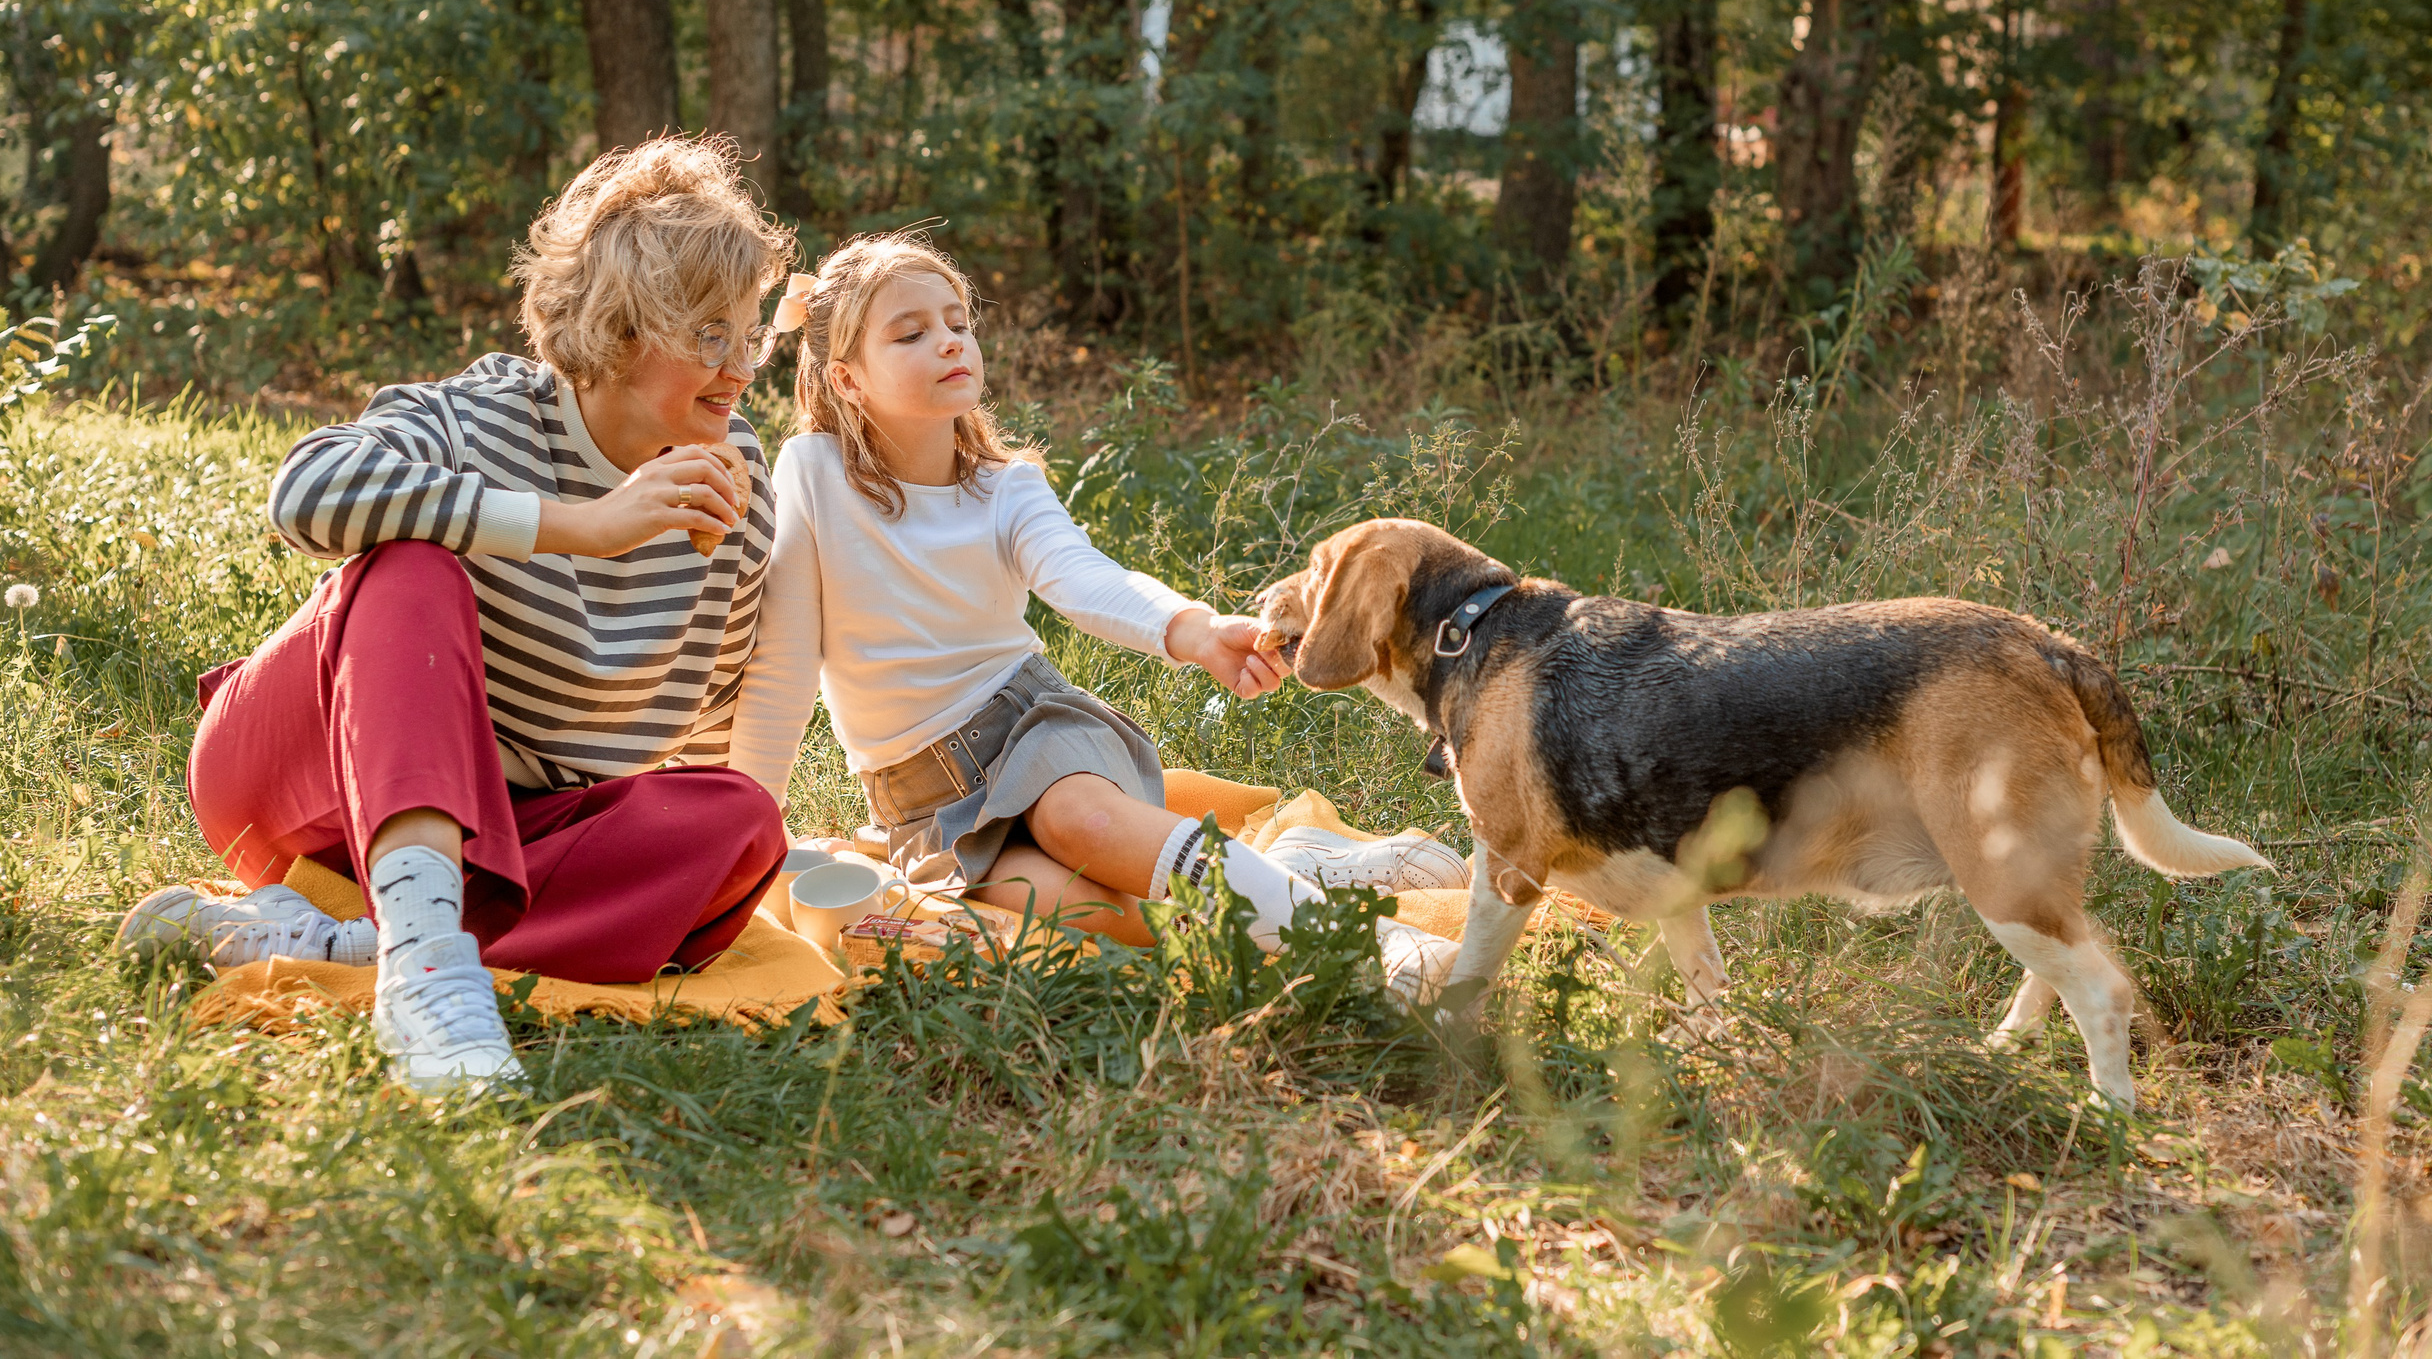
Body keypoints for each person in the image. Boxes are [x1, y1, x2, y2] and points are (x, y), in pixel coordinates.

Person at [119, 137, 797, 1093]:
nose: (739, 370)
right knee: (412, 567)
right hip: (303, 779)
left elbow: (704, 717)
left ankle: (353, 942)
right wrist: (582, 527)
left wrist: (694, 863)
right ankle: (428, 975)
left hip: (501, 833)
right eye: (709, 336)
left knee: (740, 824)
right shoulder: (478, 416)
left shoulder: (734, 481)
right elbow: (304, 491)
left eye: (749, 333)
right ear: (618, 326)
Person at [728, 234, 1461, 982]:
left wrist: (1198, 630)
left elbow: (1086, 580)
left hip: (1033, 732)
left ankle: (1358, 945)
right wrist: (745, 830)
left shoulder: (1003, 488)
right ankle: (1295, 866)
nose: (950, 342)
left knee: (1077, 821)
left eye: (958, 322)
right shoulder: (811, 473)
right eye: (912, 332)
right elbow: (783, 661)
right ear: (848, 380)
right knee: (1095, 914)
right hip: (925, 806)